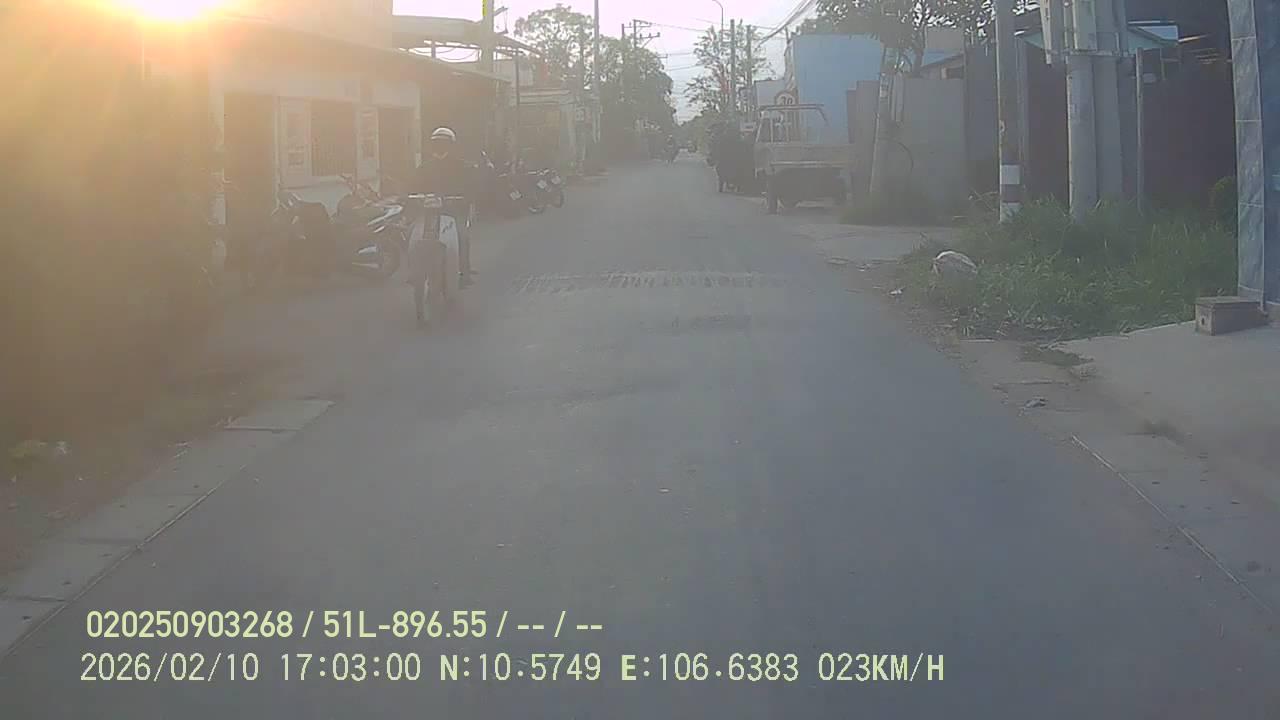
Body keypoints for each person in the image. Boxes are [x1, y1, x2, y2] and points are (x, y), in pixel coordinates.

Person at [413, 127, 475, 286]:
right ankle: (414, 273)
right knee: (412, 236)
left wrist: (463, 198)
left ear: (451, 145)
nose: (439, 146)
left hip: (453, 213)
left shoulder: (461, 166)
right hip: (429, 213)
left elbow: (470, 188)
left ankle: (464, 272)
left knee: (462, 237)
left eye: (443, 143)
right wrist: (412, 197)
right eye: (436, 143)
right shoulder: (424, 167)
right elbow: (414, 187)